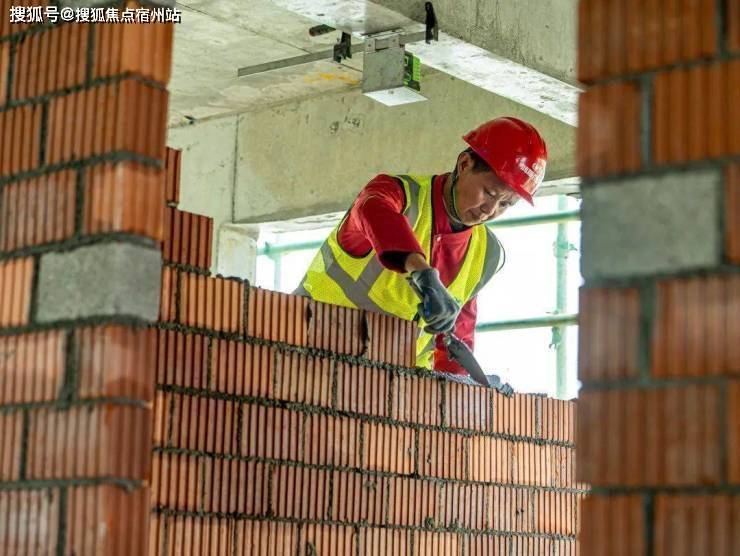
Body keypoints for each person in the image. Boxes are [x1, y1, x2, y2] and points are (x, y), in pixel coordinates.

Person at [295, 117, 547, 380]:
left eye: (506, 205)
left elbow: (454, 341)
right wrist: (421, 272)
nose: (490, 210)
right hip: (311, 349)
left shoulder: (488, 254)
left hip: (391, 388)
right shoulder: (397, 195)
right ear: (464, 164)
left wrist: (460, 394)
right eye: (490, 193)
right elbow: (373, 209)